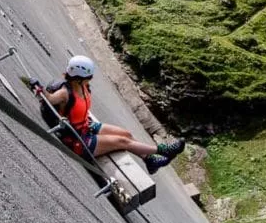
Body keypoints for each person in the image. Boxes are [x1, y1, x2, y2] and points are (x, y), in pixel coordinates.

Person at [31, 55, 185, 174]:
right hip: (77, 140)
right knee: (122, 141)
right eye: (89, 77)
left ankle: (150, 161)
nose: (91, 79)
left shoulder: (83, 87)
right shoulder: (65, 93)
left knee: (126, 134)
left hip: (86, 126)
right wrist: (38, 88)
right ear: (79, 78)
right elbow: (49, 99)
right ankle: (162, 150)